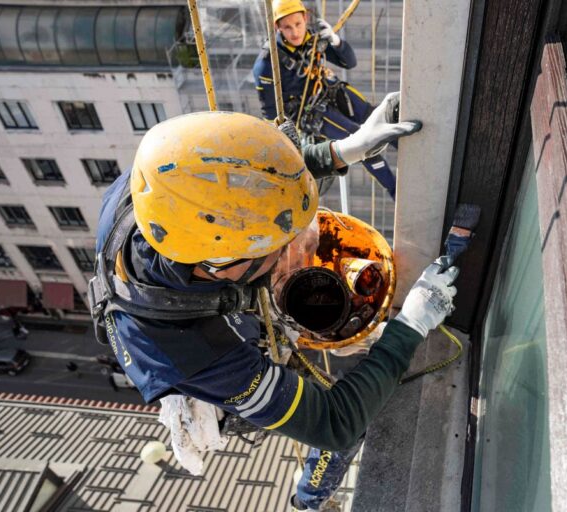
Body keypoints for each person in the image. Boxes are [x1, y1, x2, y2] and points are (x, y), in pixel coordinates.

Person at [88, 94, 455, 511]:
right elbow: (335, 421)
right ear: (224, 266)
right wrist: (410, 327)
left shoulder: (161, 180)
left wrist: (338, 153)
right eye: (281, 250)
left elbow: (237, 181)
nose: (296, 252)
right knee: (344, 435)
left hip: (194, 291)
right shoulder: (193, 353)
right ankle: (308, 499)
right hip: (190, 345)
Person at [253, 0, 401, 199]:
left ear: (305, 18)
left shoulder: (314, 38)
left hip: (327, 89)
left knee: (371, 114)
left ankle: (412, 148)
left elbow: (349, 62)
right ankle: (394, 190)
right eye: (287, 27)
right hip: (310, 111)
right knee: (360, 138)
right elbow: (270, 113)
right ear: (277, 27)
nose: (295, 32)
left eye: (298, 24)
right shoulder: (267, 64)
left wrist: (335, 41)